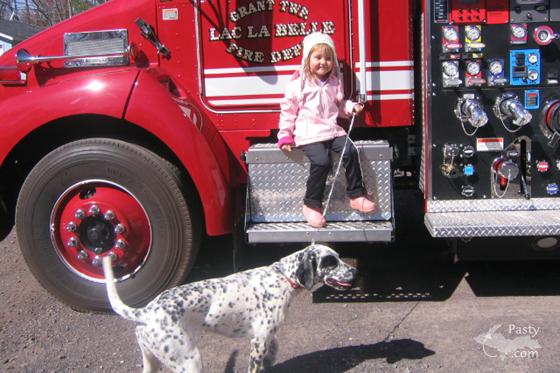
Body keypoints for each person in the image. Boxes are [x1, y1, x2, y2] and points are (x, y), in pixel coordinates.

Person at [277, 32, 375, 228]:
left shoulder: (333, 82)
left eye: (328, 58)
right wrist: (285, 136)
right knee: (322, 162)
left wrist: (350, 107)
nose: (323, 62)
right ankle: (311, 204)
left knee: (350, 150)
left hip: (331, 130)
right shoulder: (298, 84)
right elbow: (288, 111)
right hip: (309, 133)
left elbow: (338, 106)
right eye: (318, 57)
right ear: (307, 59)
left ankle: (356, 195)